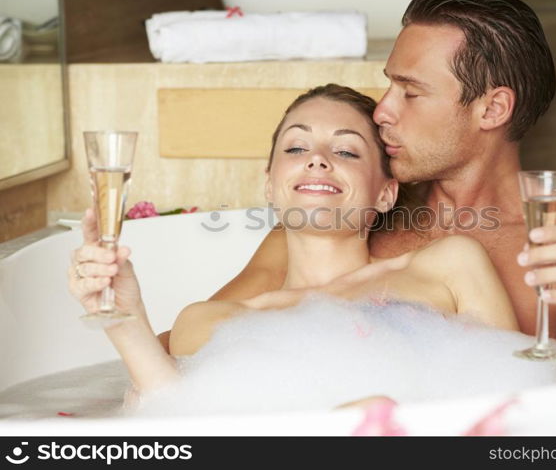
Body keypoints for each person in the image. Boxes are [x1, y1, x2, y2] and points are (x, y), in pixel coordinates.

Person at [205, 0, 556, 371]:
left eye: (411, 93)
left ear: (493, 108)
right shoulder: (350, 219)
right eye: (388, 84)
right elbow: (190, 354)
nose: (382, 111)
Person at [68, 84, 518, 397]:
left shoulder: (450, 267)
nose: (317, 161)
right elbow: (180, 423)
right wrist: (124, 319)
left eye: (345, 151)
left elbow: (524, 401)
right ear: (269, 184)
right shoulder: (208, 322)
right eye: (296, 148)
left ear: (385, 191)